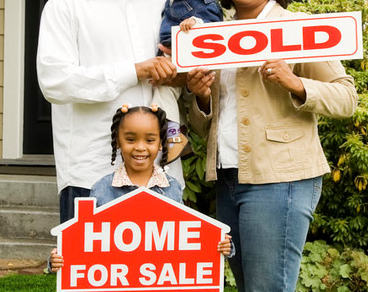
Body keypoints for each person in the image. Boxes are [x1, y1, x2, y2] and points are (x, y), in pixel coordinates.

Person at [183, 0, 358, 292]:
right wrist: (200, 98)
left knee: (267, 287)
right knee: (250, 285)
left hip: (281, 178)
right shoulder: (213, 34)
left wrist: (296, 83)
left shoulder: (295, 28)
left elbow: (347, 98)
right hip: (229, 178)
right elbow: (207, 124)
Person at [36, 0, 183, 224]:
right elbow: (55, 81)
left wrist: (180, 77)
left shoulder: (163, 7)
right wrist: (137, 70)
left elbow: (177, 80)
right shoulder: (66, 5)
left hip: (159, 176)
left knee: (156, 273)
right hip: (91, 172)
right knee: (90, 274)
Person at [48, 104, 232, 271]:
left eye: (150, 140)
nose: (140, 147)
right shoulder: (102, 189)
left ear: (161, 143)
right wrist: (56, 260)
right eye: (130, 139)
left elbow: (184, 238)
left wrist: (223, 245)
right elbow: (82, 242)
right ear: (118, 141)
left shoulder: (172, 188)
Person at [153, 0, 224, 165]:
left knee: (164, 94)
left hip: (185, 59)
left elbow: (214, 22)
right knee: (169, 98)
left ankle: (173, 137)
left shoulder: (205, 1)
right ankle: (178, 134)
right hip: (171, 55)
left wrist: (196, 23)